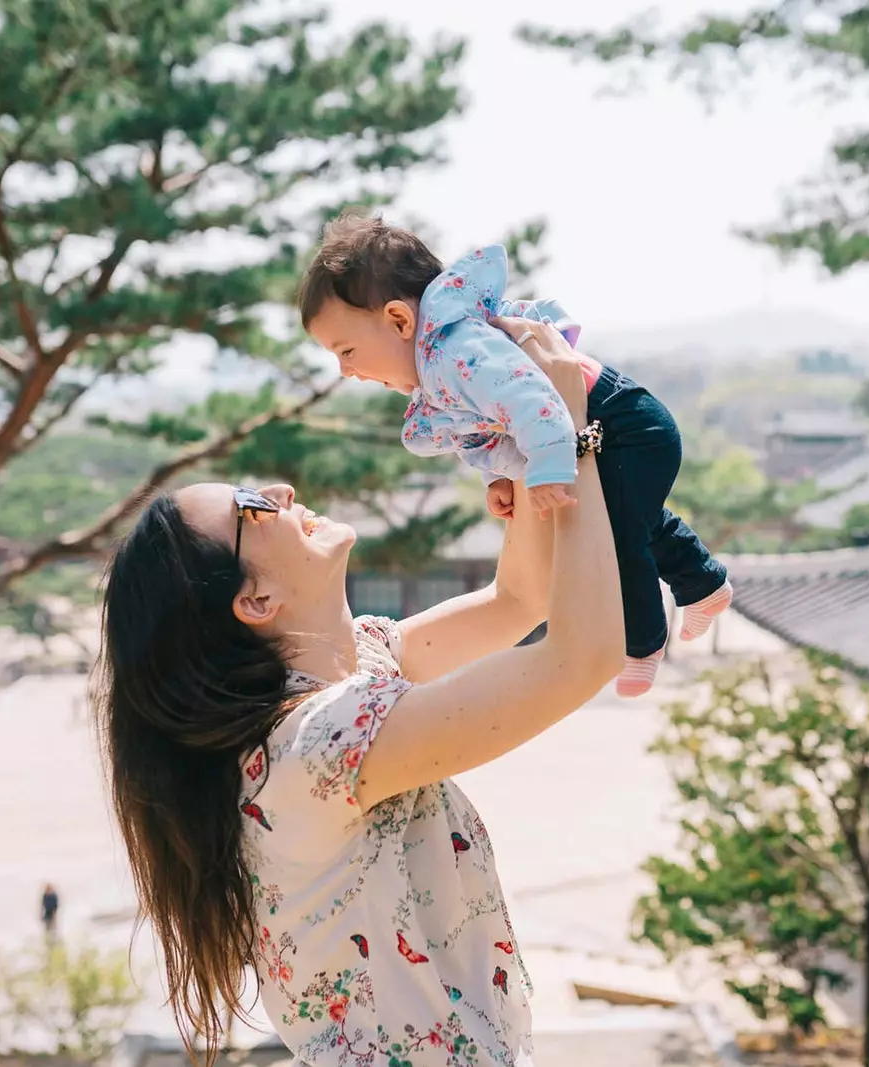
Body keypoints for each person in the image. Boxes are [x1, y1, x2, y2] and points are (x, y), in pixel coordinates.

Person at [94, 318, 623, 1066]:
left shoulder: (359, 667)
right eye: (252, 505)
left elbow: (521, 600)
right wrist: (570, 433)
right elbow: (583, 657)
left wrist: (522, 458)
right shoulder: (316, 744)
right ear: (254, 602)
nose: (279, 488)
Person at [298, 214, 731, 697]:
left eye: (348, 350)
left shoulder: (456, 350)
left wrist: (548, 465)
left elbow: (533, 400)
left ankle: (643, 643)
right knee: (634, 519)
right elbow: (487, 430)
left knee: (620, 535)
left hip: (625, 422)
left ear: (399, 320)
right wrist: (500, 478)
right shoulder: (439, 368)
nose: (346, 370)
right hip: (613, 422)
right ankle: (705, 585)